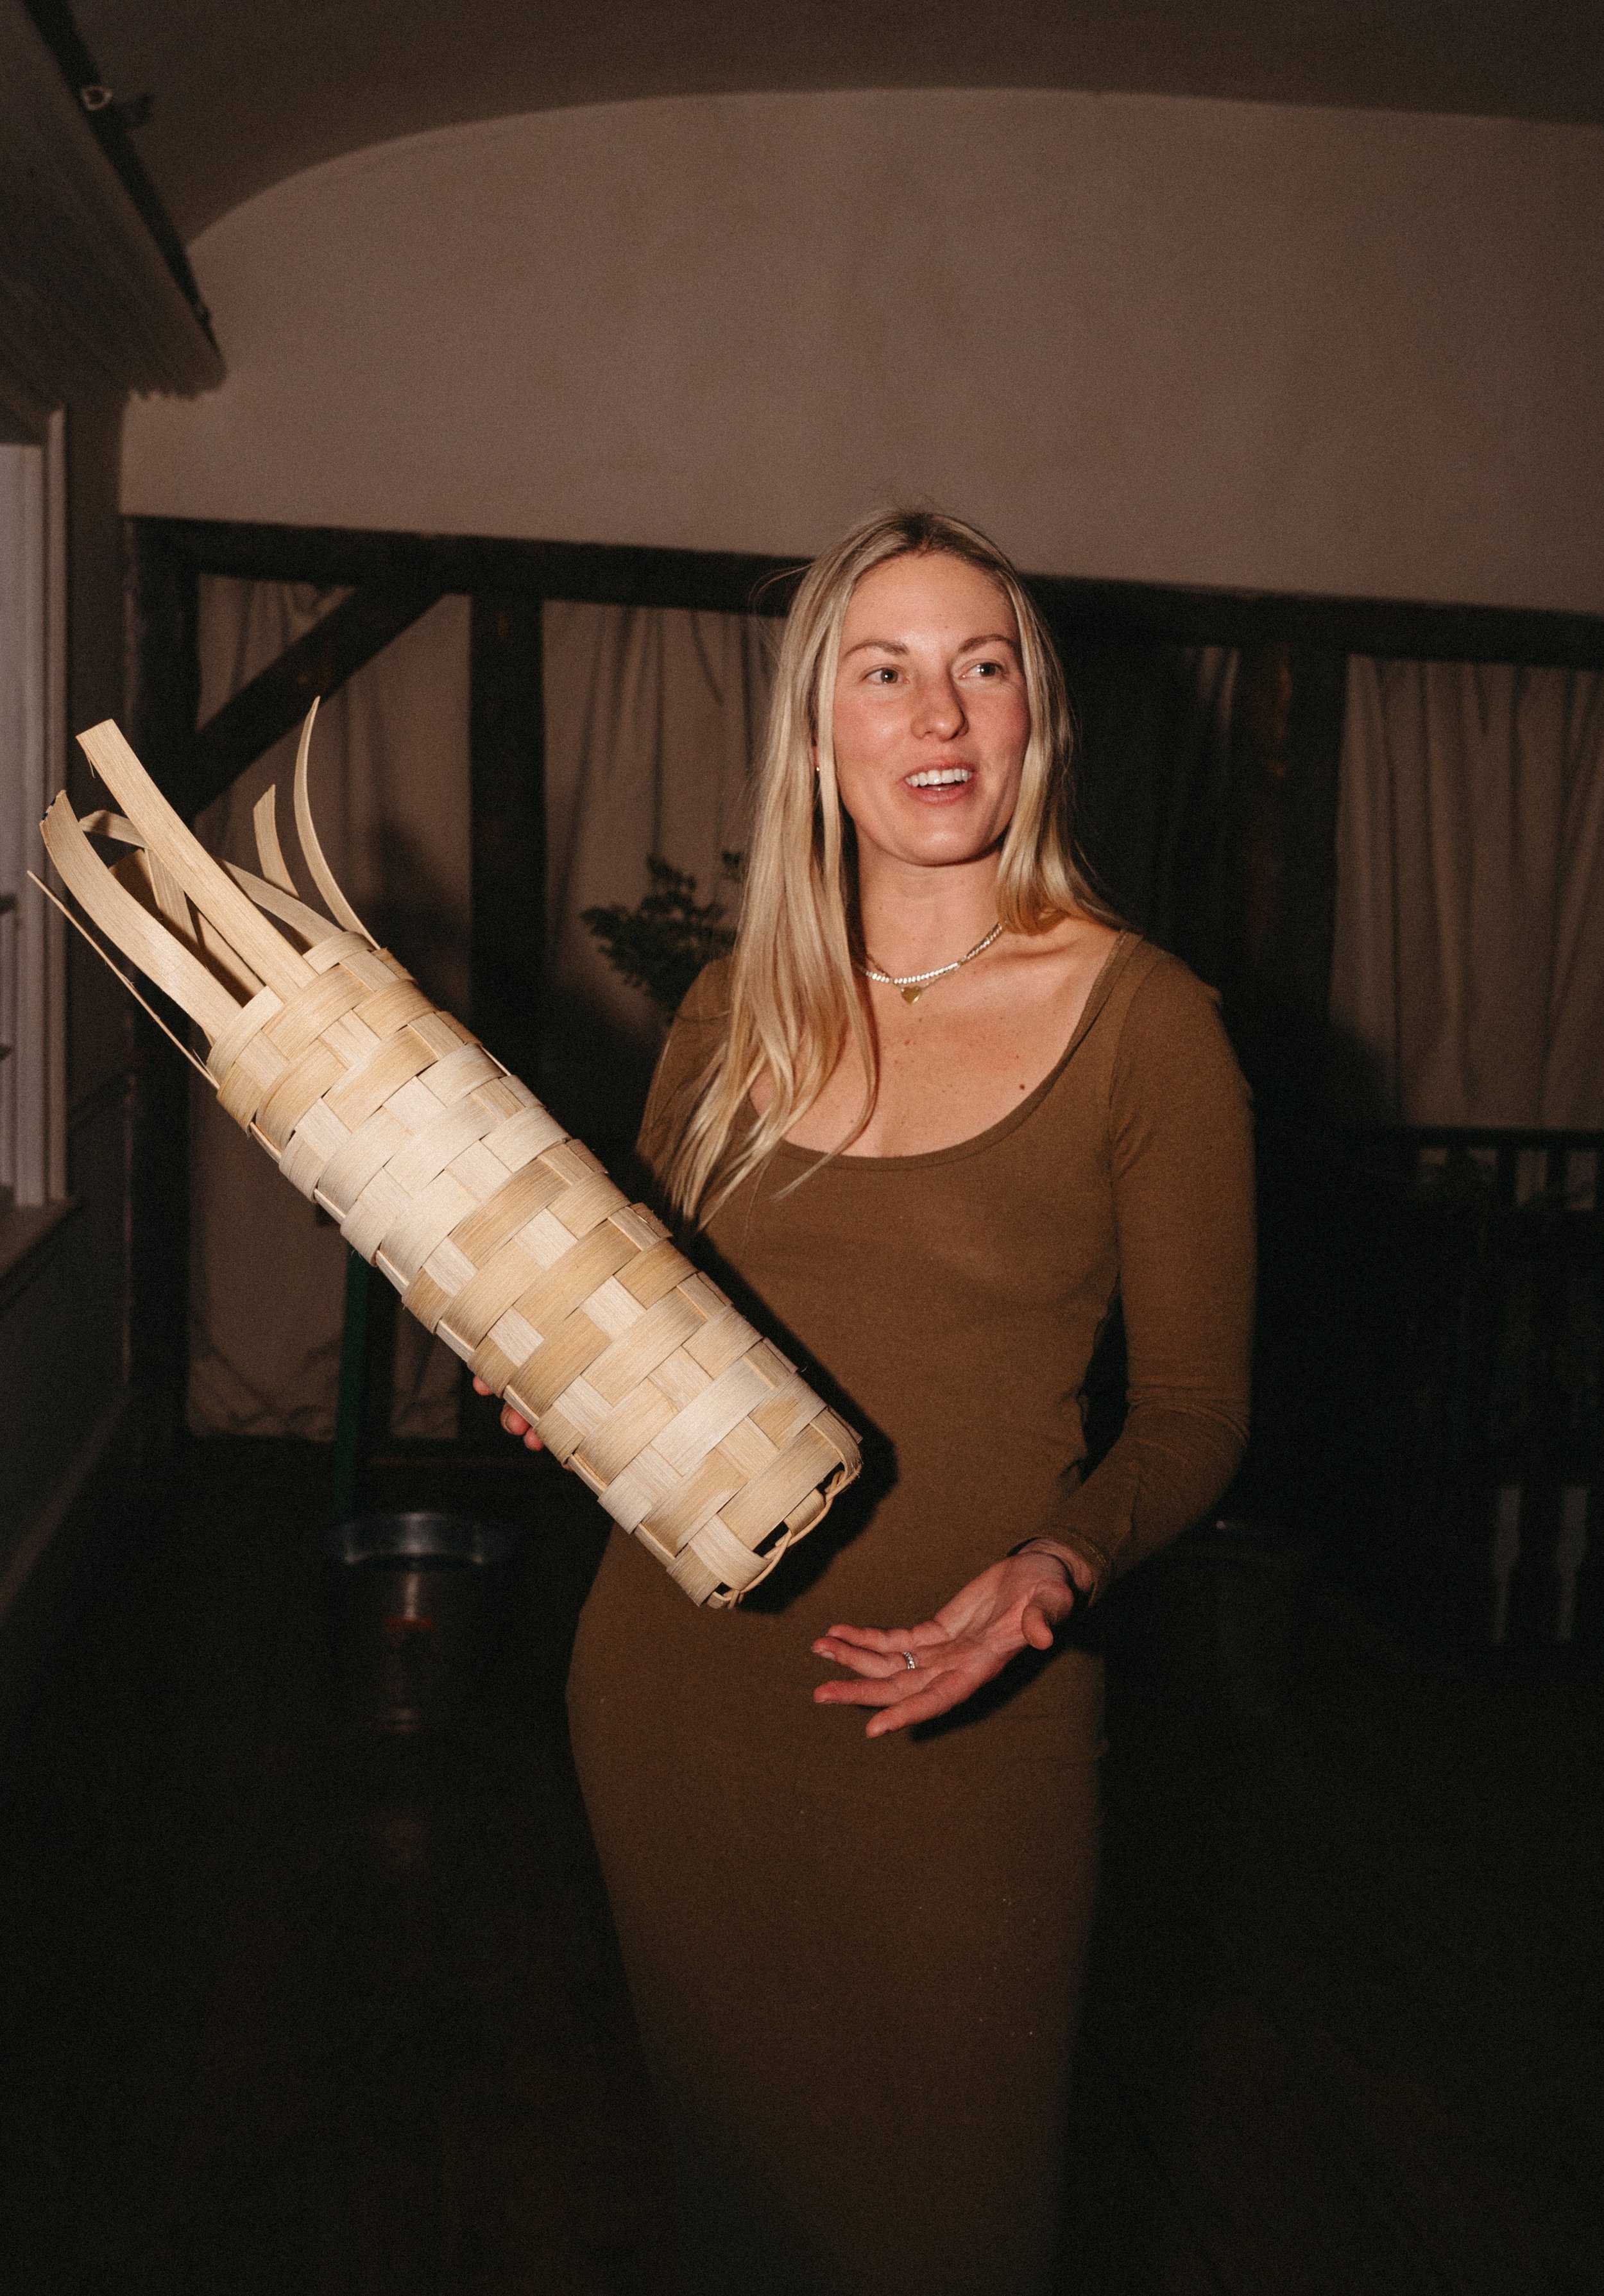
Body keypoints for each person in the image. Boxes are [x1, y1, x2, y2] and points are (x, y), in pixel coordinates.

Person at [479, 508, 1255, 2293]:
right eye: (882, 671)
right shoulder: (730, 1013)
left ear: (1034, 717)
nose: (940, 714)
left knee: (959, 2229)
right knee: (738, 2215)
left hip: (963, 1721)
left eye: (983, 666)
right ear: (816, 731)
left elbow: (1200, 1409)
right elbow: (641, 1333)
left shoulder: (1145, 1021)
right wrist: (554, 1384)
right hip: (673, 1700)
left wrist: (1054, 1568)